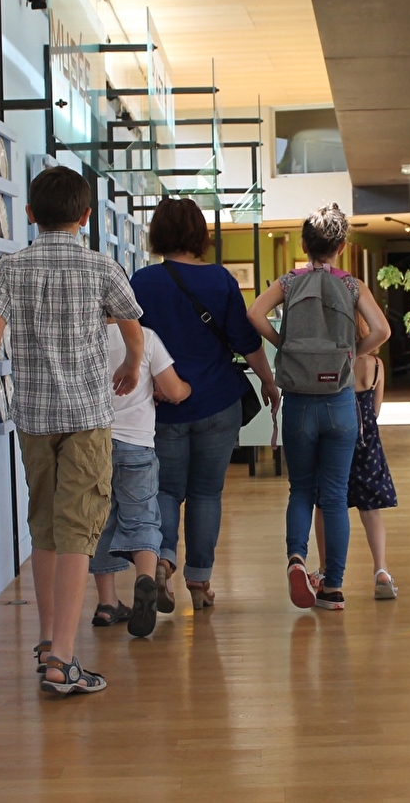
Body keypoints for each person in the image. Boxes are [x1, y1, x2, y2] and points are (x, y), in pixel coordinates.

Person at [0, 165, 142, 696]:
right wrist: (131, 362)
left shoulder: (11, 269)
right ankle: (63, 658)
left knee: (44, 529)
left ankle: (45, 641)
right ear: (86, 218)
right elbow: (133, 328)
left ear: (30, 214)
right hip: (85, 419)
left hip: (33, 421)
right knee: (79, 532)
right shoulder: (101, 268)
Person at [130, 198, 280, 612]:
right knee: (206, 494)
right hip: (217, 403)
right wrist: (268, 382)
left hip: (162, 406)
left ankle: (162, 559)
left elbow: (130, 344)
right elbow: (245, 342)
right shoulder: (220, 281)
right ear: (200, 234)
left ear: (158, 234)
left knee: (164, 489)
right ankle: (199, 581)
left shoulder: (141, 282)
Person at [248, 204, 391, 610]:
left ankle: (297, 558)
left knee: (300, 490)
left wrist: (284, 346)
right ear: (342, 246)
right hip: (339, 403)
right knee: (334, 496)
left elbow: (254, 313)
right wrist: (351, 353)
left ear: (304, 244)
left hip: (298, 403)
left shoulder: (289, 283)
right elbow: (381, 330)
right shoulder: (352, 286)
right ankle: (333, 588)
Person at [88, 321, 191, 638]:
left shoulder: (82, 337)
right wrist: (181, 390)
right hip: (138, 445)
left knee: (99, 520)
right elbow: (174, 390)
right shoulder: (145, 338)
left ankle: (107, 604)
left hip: (92, 443)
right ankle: (145, 578)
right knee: (143, 517)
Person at [310, 313, 400, 599]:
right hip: (367, 442)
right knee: (370, 510)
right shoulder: (375, 364)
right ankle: (381, 570)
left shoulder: (333, 361)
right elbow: (375, 410)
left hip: (335, 438)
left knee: (325, 505)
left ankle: (325, 569)